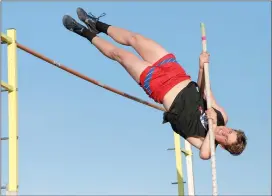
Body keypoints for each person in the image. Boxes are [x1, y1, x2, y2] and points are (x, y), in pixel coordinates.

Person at [62, 7, 247, 160]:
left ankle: (82, 31)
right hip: (177, 74)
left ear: (222, 147)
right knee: (136, 39)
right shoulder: (222, 115)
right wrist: (201, 69)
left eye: (224, 138)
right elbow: (205, 91)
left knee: (121, 55)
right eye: (228, 131)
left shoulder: (204, 142)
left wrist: (212, 130)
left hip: (160, 87)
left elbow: (205, 154)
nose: (223, 131)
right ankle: (95, 24)